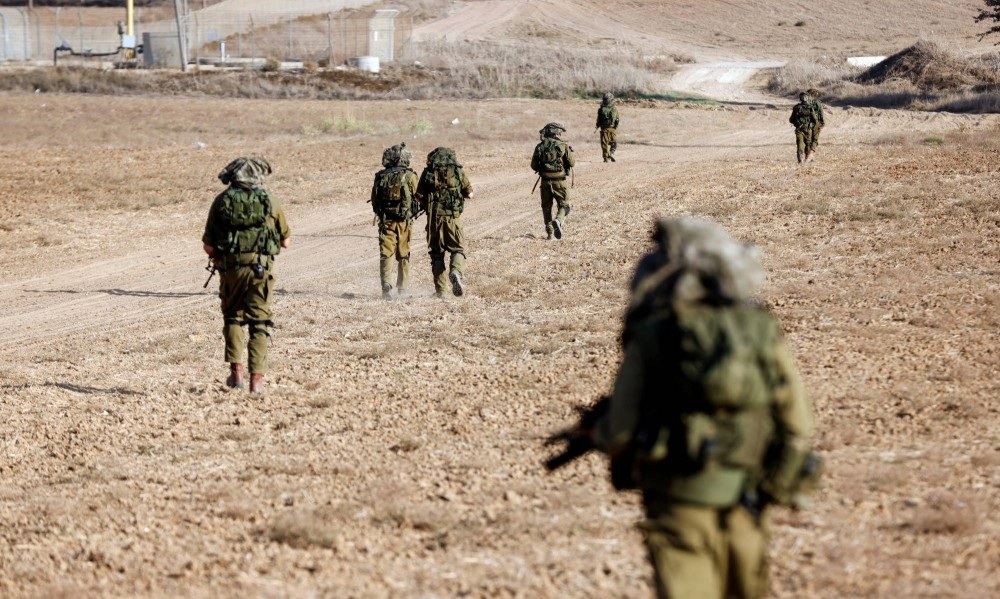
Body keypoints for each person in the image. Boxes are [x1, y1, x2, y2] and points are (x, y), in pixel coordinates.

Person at [588, 217, 819, 599]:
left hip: (679, 502)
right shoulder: (758, 326)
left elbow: (620, 432)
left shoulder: (651, 333)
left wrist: (596, 435)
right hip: (748, 499)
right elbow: (798, 423)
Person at [202, 157, 292, 394]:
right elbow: (286, 241)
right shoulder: (270, 201)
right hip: (261, 271)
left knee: (232, 318)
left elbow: (209, 247)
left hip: (231, 270)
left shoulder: (221, 202)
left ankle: (236, 374)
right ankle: (257, 381)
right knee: (259, 322)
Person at [415, 147, 473, 298]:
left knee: (436, 255)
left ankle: (441, 291)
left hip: (434, 220)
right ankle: (455, 271)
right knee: (457, 250)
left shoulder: (427, 172)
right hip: (452, 219)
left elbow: (418, 196)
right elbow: (470, 194)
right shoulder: (458, 171)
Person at [371, 142, 419, 300]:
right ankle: (403, 288)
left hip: (386, 221)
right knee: (404, 254)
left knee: (386, 254)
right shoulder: (410, 176)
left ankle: (386, 285)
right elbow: (419, 197)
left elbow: (374, 200)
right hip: (404, 222)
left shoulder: (380, 176)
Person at [531, 122, 575, 240]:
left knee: (546, 207)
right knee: (565, 205)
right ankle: (559, 220)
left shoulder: (540, 147)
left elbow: (534, 166)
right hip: (560, 181)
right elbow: (572, 163)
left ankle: (550, 233)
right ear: (557, 133)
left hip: (545, 182)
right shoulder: (563, 146)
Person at [789, 91, 819, 163]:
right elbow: (815, 120)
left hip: (799, 129)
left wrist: (797, 124)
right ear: (808, 98)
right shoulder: (810, 108)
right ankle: (808, 158)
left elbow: (791, 119)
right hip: (808, 129)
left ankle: (801, 159)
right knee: (808, 144)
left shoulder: (796, 108)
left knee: (800, 144)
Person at [596, 92, 620, 163]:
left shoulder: (600, 109)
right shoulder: (614, 108)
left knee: (604, 144)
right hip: (612, 128)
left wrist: (598, 125)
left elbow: (598, 120)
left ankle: (605, 158)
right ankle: (611, 153)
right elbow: (617, 119)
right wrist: (615, 127)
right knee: (614, 142)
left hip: (604, 129)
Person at [807, 88, 826, 158]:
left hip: (806, 123)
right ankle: (810, 154)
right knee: (814, 139)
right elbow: (821, 114)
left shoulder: (805, 103)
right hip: (816, 123)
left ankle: (809, 156)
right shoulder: (818, 103)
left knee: (807, 140)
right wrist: (823, 124)